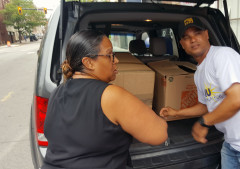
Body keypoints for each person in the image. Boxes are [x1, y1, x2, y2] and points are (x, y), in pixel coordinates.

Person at [160, 17, 240, 169]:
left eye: (197, 33)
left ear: (206, 35)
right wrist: (177, 113)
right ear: (182, 44)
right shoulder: (199, 72)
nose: (192, 39)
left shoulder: (223, 56)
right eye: (186, 37)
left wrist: (204, 122)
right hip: (233, 142)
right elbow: (206, 106)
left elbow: (237, 100)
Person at [42, 30, 168, 169]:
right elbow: (159, 134)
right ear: (89, 63)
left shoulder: (56, 92)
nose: (116, 60)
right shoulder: (110, 95)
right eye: (110, 55)